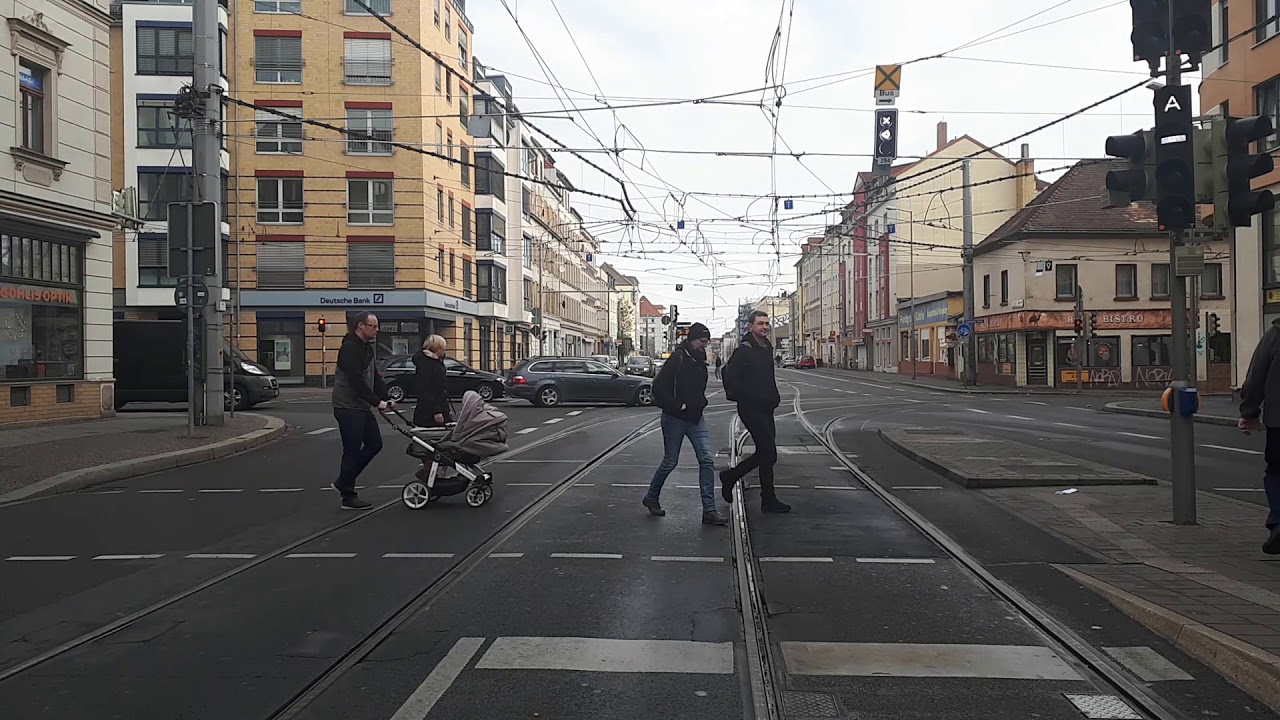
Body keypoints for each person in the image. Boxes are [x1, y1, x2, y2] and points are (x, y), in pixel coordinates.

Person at [643, 322, 727, 525]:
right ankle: (651, 497)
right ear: (692, 339)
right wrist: (677, 406)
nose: (704, 345)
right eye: (702, 341)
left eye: (706, 342)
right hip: (675, 419)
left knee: (707, 460)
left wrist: (699, 403)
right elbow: (658, 387)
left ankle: (709, 511)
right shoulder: (678, 358)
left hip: (696, 418)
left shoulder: (699, 359)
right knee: (670, 461)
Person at [720, 310, 790, 513]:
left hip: (767, 407)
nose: (765, 327)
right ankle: (730, 476)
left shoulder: (766, 347)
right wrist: (749, 395)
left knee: (766, 454)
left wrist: (773, 396)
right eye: (760, 323)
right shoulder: (744, 349)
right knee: (768, 452)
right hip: (751, 408)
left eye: (767, 323)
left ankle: (768, 499)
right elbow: (730, 377)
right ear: (750, 327)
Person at [331, 311, 393, 510]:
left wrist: (385, 397)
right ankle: (348, 495)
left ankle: (343, 481)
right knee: (351, 450)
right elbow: (356, 380)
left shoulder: (367, 348)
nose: (377, 330)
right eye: (373, 326)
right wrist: (377, 402)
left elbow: (373, 376)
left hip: (361, 406)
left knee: (375, 443)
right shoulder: (349, 348)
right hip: (347, 406)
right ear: (360, 326)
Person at [1237, 318, 1280, 554]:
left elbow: (1256, 377)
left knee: (1276, 472)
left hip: (1279, 423)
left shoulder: (1275, 334)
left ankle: (1279, 522)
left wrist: (1249, 412)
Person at [412, 335, 452, 428]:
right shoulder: (427, 364)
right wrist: (436, 411)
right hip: (429, 412)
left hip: (436, 407)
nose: (445, 350)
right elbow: (426, 389)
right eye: (443, 347)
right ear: (437, 348)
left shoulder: (433, 362)